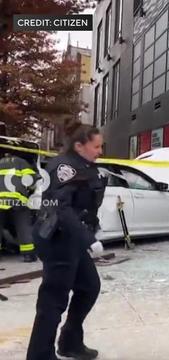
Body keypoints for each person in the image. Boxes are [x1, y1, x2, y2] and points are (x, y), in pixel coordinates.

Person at [27, 122, 107, 360]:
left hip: (73, 239)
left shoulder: (83, 165)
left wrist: (93, 227)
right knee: (53, 300)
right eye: (96, 146)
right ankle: (39, 355)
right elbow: (60, 208)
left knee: (89, 287)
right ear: (79, 145)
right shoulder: (63, 167)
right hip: (58, 238)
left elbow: (83, 204)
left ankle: (70, 342)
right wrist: (88, 238)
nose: (100, 151)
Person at [0, 151, 39, 262]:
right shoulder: (21, 162)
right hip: (16, 199)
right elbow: (31, 180)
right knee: (23, 226)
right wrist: (31, 190)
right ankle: (28, 254)